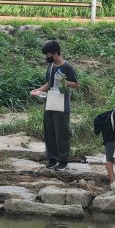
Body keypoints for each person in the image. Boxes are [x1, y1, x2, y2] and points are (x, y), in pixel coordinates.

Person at [31, 41, 79, 171]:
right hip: (50, 101)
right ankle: (51, 159)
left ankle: (63, 160)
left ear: (56, 53)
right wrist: (38, 90)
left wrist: (63, 81)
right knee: (49, 131)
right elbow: (49, 83)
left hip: (62, 104)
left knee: (61, 132)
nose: (47, 57)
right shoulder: (51, 66)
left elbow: (76, 85)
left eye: (48, 54)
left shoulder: (67, 67)